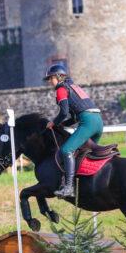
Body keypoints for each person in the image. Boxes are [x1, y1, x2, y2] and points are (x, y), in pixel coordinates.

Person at [43, 64, 104, 198]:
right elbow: (75, 117)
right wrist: (62, 124)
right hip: (98, 122)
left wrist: (54, 123)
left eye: (50, 78)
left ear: (59, 77)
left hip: (88, 123)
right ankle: (89, 184)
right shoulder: (75, 88)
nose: (49, 81)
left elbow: (64, 112)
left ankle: (69, 188)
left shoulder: (61, 89)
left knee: (66, 150)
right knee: (85, 153)